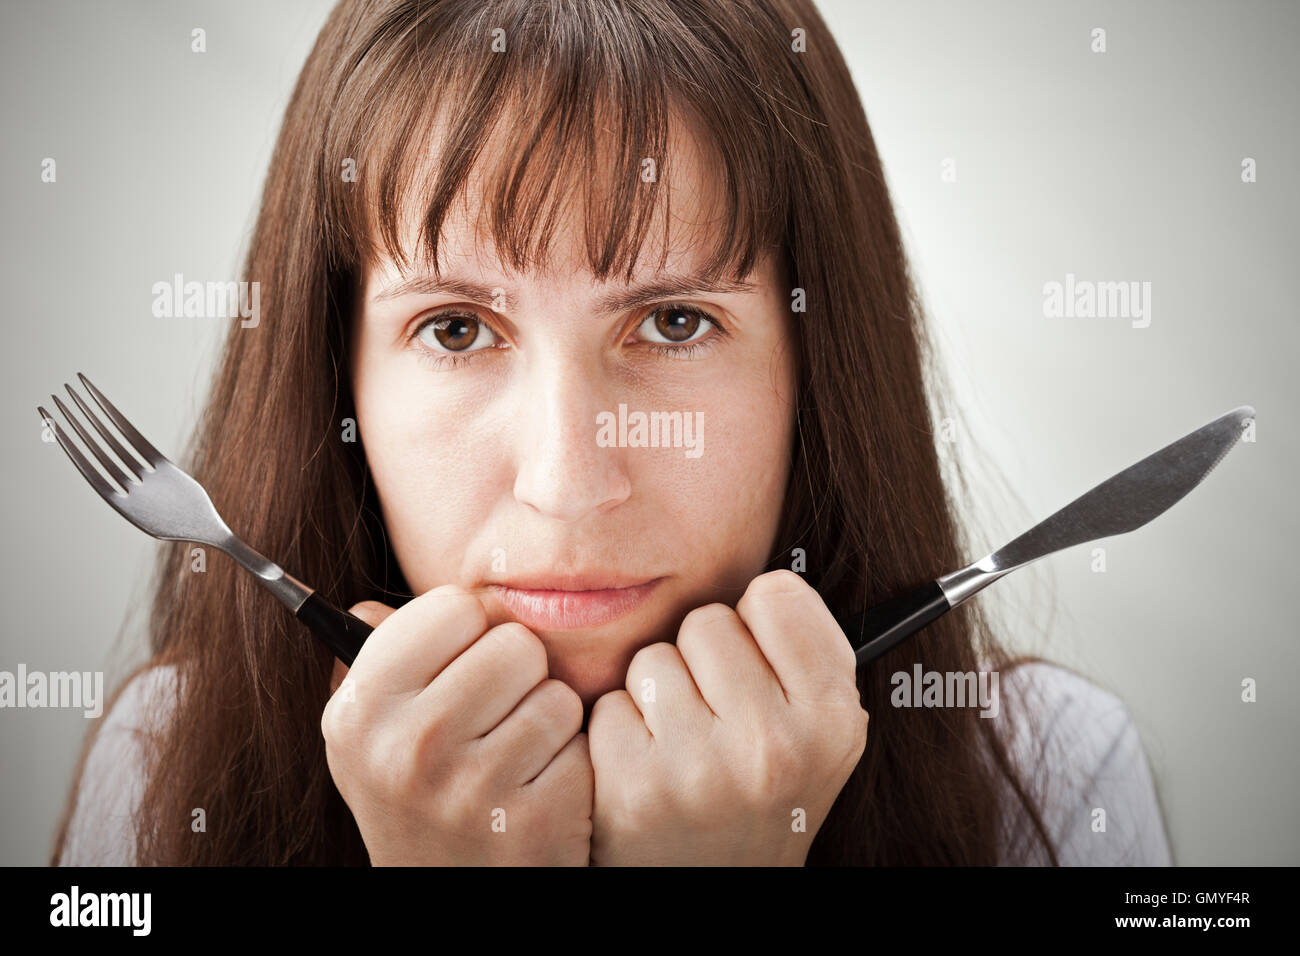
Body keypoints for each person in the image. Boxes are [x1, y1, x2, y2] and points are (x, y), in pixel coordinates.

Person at [52, 0, 1171, 866]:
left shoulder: (1052, 772)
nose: (567, 482)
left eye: (674, 320)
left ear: (814, 369)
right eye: (454, 327)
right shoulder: (161, 759)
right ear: (332, 372)